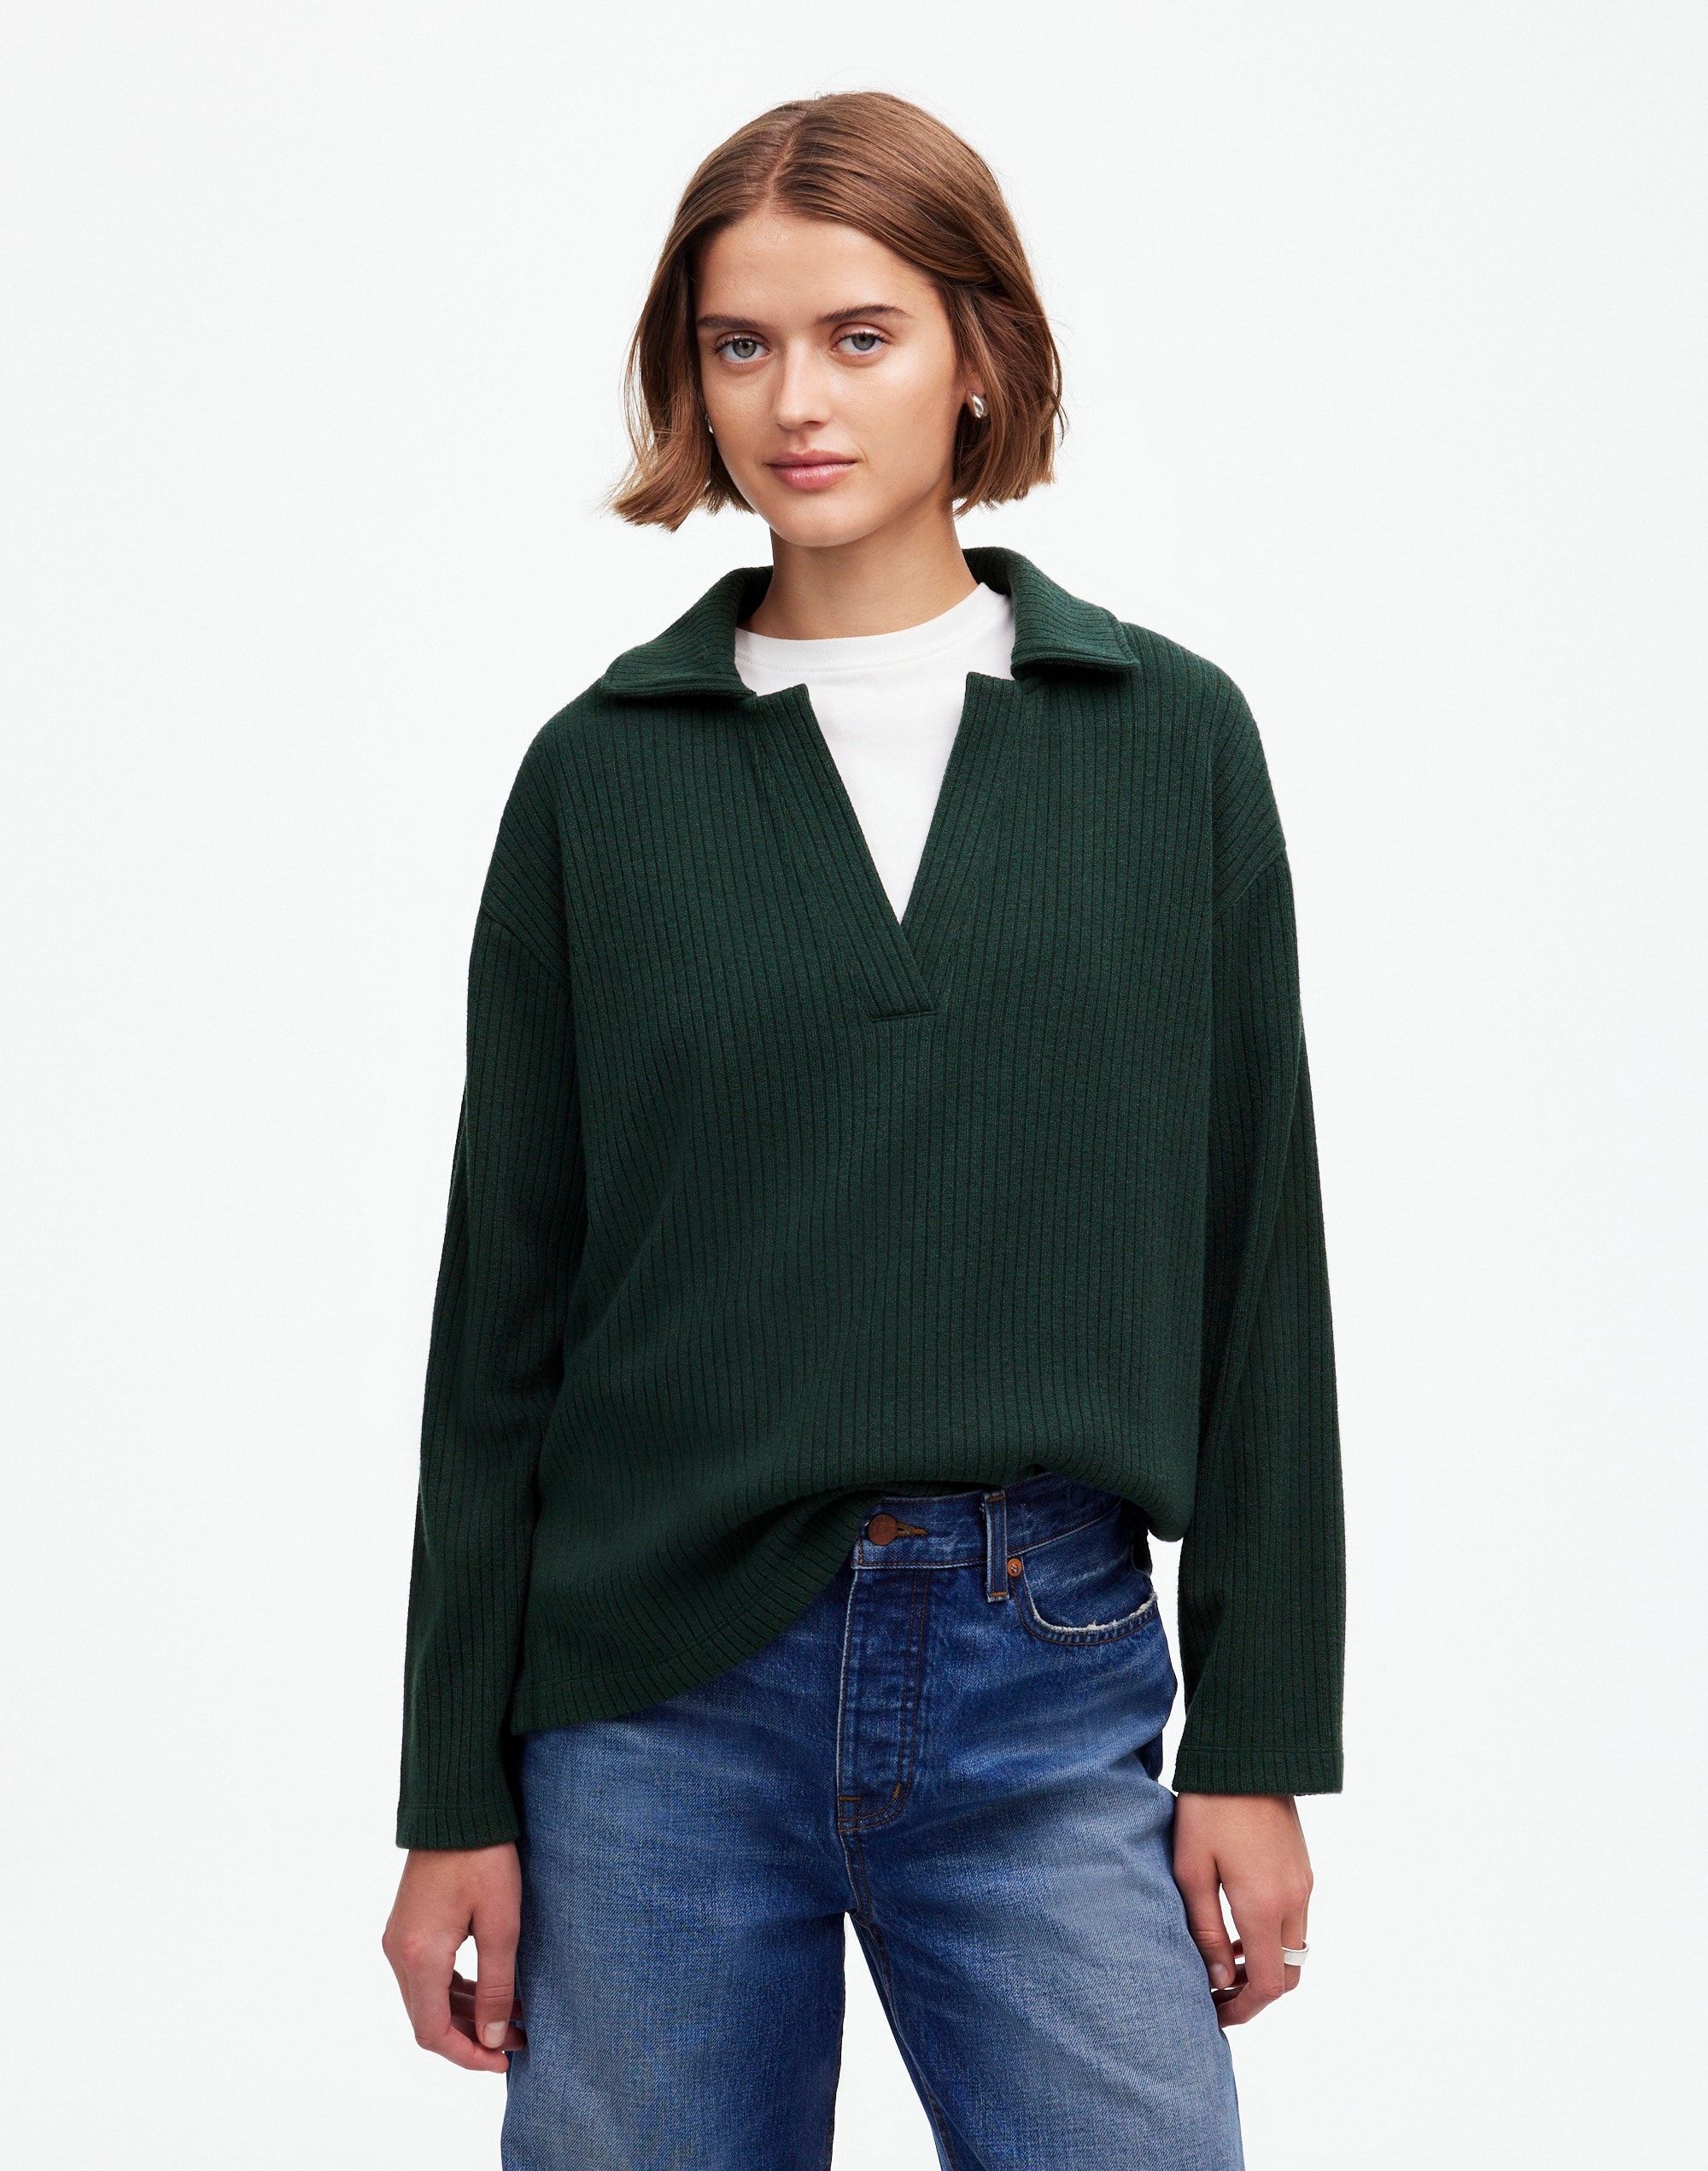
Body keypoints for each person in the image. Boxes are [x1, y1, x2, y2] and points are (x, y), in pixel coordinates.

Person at [382, 89, 1343, 2171]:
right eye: (740, 344)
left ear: (978, 350)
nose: (794, 400)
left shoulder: (1167, 742)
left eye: (858, 335)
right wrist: (449, 1787)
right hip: (647, 1701)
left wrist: (1259, 1733)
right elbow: (500, 1320)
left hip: (1045, 1664)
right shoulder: (601, 777)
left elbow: (1256, 1258)